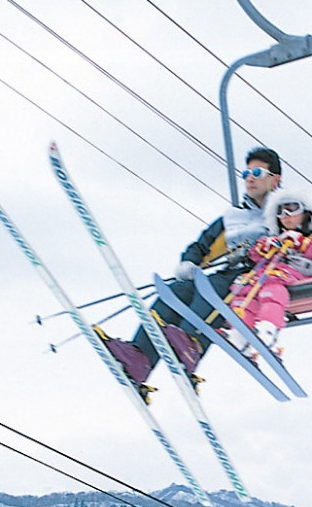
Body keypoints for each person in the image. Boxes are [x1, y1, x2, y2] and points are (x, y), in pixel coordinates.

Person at [99, 147, 285, 395]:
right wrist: (189, 262)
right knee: (179, 290)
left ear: (275, 179)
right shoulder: (234, 218)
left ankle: (191, 342)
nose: (250, 178)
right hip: (229, 276)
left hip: (259, 282)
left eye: (258, 172)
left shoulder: (288, 212)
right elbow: (202, 245)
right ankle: (140, 357)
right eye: (246, 173)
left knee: (218, 288)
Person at [217, 187, 312, 363]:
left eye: (292, 209)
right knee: (244, 290)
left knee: (271, 291)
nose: (286, 215)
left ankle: (268, 330)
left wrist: (302, 244)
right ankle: (240, 331)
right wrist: (264, 247)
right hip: (268, 275)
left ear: (306, 213)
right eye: (280, 212)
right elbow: (255, 255)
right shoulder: (277, 238)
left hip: (298, 276)